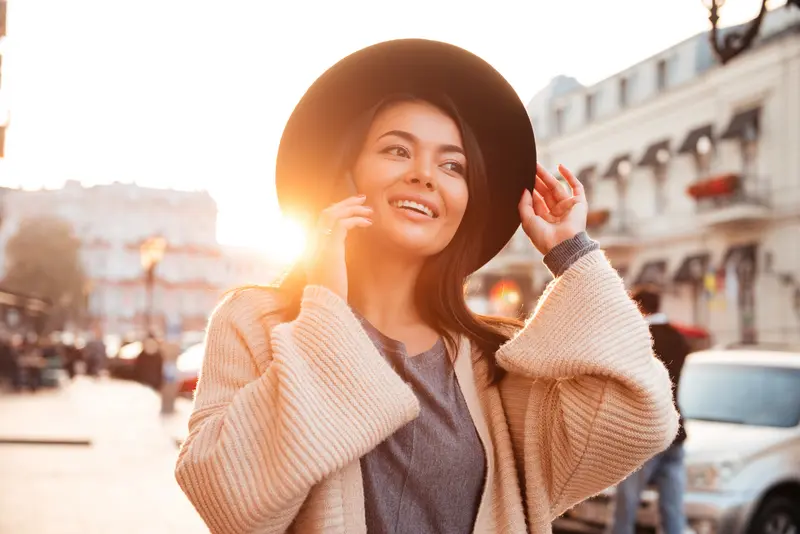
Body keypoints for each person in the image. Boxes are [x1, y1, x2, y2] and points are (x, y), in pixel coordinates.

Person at [175, 39, 679, 534]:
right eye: (397, 150)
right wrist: (325, 310)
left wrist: (571, 253)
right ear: (347, 175)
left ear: (466, 202)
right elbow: (229, 504)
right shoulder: (255, 323)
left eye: (452, 165)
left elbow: (638, 416)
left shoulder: (492, 362)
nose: (424, 175)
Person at [610, 287, 691, 534]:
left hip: (645, 433)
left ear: (639, 307)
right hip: (675, 430)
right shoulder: (679, 338)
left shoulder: (638, 338)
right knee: (673, 512)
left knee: (625, 508)